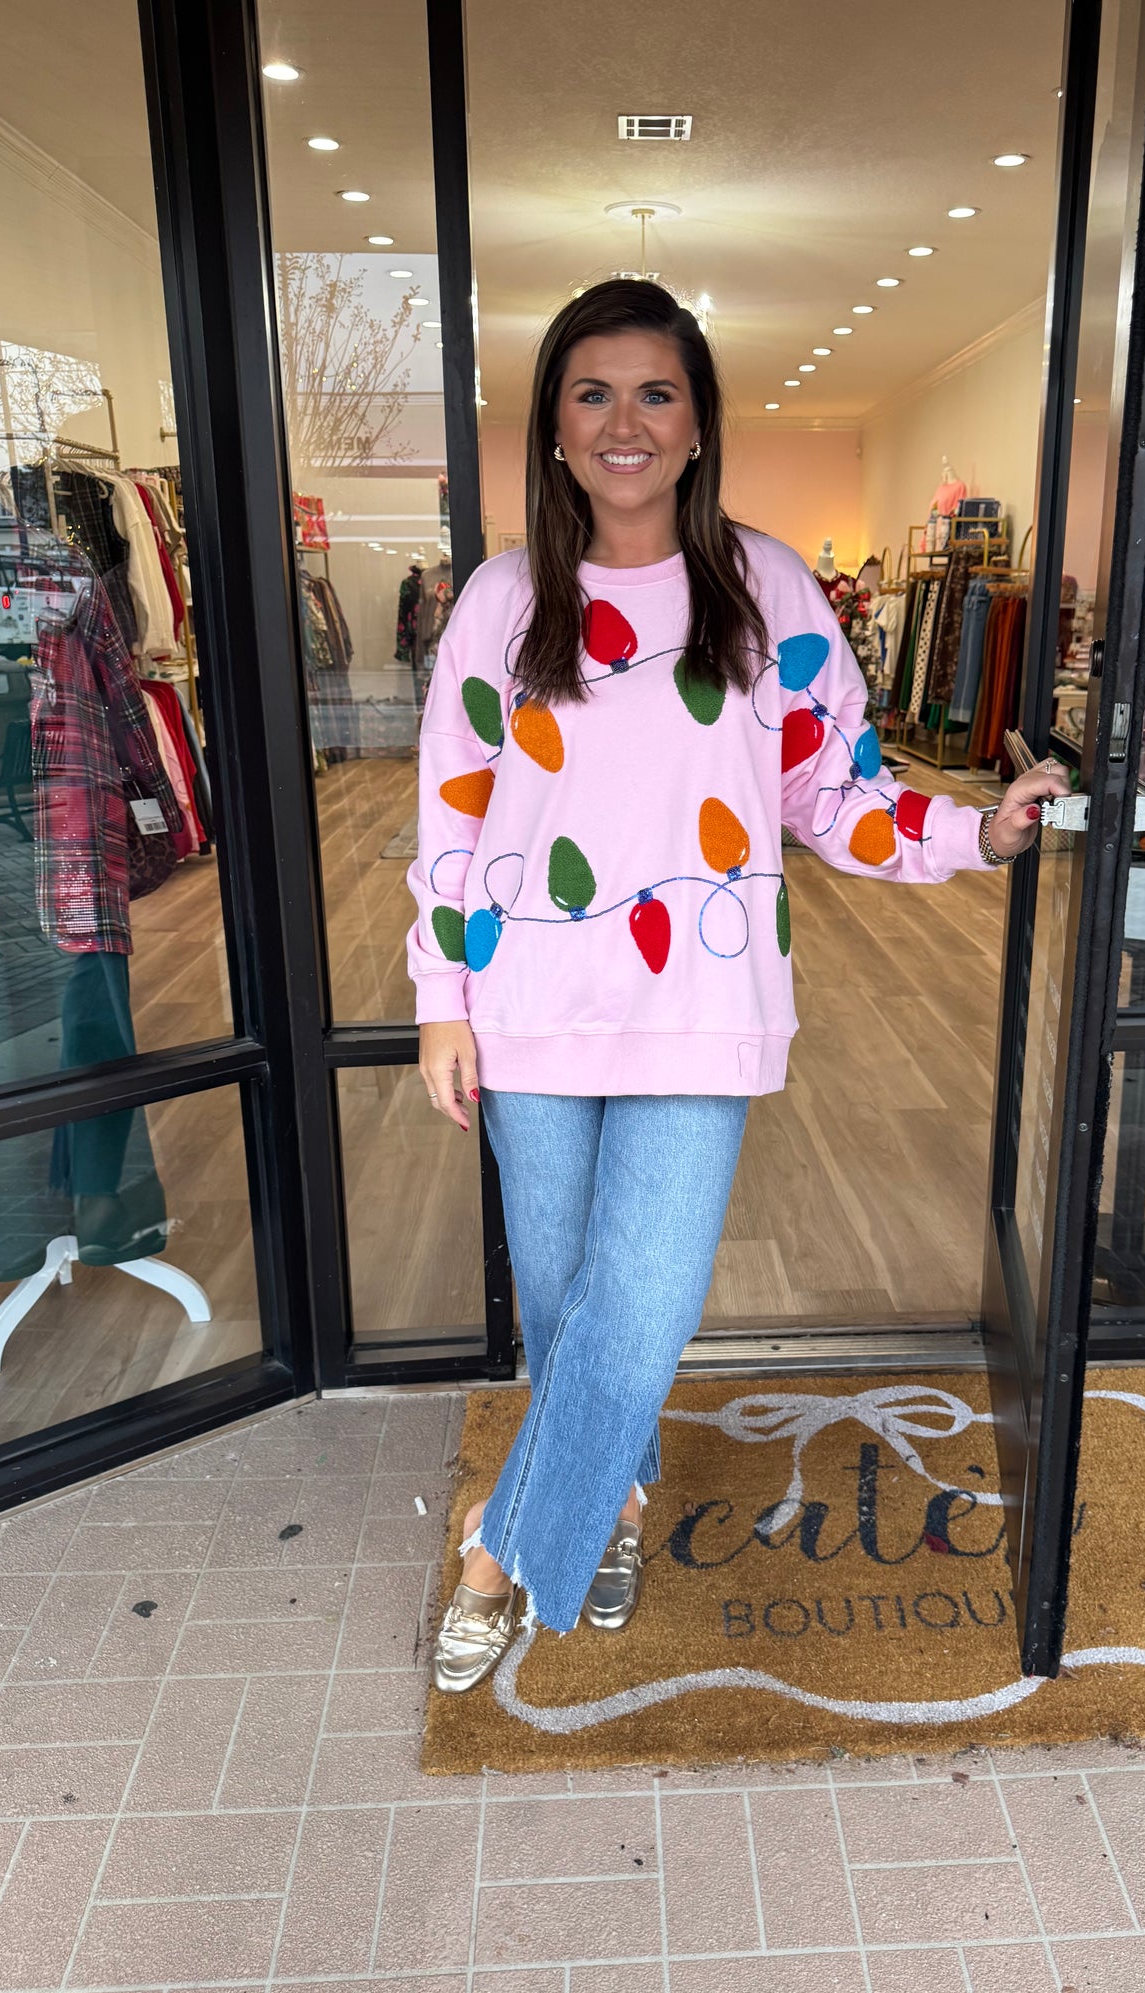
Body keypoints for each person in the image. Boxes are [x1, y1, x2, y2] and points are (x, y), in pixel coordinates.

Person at [407, 279, 1066, 1694]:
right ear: (554, 426)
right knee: (568, 1306)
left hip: (699, 1003)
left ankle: (499, 1542)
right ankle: (612, 1500)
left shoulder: (767, 590)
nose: (625, 422)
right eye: (592, 393)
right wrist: (438, 998)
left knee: (639, 1303)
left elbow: (836, 793)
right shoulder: (503, 600)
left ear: (700, 422)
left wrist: (979, 833)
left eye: (656, 392)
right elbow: (452, 817)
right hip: (527, 1002)